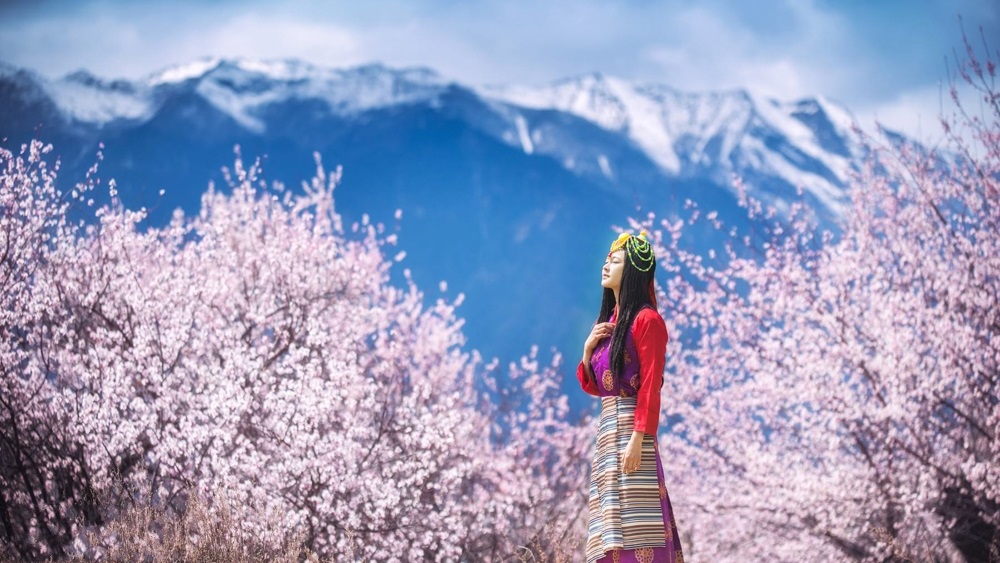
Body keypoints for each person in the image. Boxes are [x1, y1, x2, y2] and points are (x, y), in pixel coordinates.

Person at [576, 230, 684, 563]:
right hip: (608, 432)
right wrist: (587, 350)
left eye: (616, 260)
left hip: (631, 430)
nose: (606, 264)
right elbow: (599, 386)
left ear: (634, 270)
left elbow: (650, 383)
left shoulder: (647, 321)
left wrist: (639, 436)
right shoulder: (610, 322)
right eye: (607, 258)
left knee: (639, 524)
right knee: (611, 526)